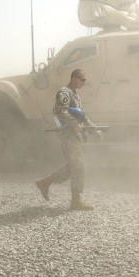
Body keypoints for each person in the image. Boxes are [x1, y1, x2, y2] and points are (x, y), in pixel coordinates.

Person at [36, 68, 98, 210]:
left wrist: (94, 128)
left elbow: (82, 115)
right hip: (67, 134)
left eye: (84, 80)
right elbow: (61, 111)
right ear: (74, 78)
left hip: (74, 135)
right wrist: (74, 124)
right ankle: (76, 201)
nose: (83, 82)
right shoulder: (64, 93)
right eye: (82, 79)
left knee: (73, 166)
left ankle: (45, 182)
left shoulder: (75, 95)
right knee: (78, 165)